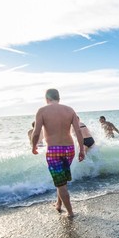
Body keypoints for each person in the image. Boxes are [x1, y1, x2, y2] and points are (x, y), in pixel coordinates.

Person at [32, 89, 85, 217]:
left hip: (54, 150)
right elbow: (78, 131)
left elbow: (36, 132)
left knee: (60, 182)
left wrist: (33, 146)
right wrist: (82, 149)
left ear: (46, 98)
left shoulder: (42, 111)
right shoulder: (69, 110)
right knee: (61, 180)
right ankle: (58, 204)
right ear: (59, 98)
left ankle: (70, 213)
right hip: (69, 149)